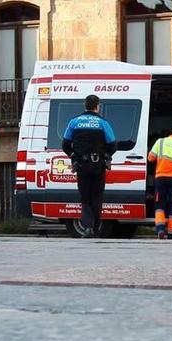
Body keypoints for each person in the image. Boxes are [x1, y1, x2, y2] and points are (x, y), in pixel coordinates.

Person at [62, 95, 116, 238]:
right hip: (98, 166)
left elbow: (65, 144)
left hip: (81, 166)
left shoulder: (74, 122)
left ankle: (87, 228)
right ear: (97, 106)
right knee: (97, 197)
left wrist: (73, 155)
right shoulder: (103, 123)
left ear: (84, 105)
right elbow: (113, 145)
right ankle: (96, 229)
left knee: (85, 198)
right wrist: (106, 155)